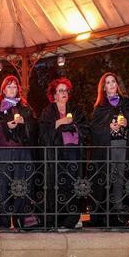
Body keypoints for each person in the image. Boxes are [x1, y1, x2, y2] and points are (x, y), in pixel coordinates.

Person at [87, 73, 129, 228]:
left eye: (113, 82)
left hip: (122, 146)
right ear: (103, 87)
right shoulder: (100, 107)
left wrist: (126, 123)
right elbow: (94, 128)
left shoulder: (126, 103)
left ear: (117, 84)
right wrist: (107, 127)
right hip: (106, 148)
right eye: (108, 83)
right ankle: (102, 215)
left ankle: (119, 213)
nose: (111, 85)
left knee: (120, 178)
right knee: (105, 178)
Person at [0, 75, 37, 229]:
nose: (12, 89)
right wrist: (6, 126)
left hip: (21, 152)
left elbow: (34, 126)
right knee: (2, 185)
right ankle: (3, 222)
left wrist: (24, 123)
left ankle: (21, 220)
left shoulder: (25, 106)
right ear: (3, 89)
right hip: (3, 152)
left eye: (14, 87)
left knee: (21, 185)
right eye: (9, 86)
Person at [39, 77, 88, 229]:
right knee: (58, 185)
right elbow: (43, 133)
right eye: (60, 91)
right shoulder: (48, 112)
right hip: (56, 155)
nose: (64, 93)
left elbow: (86, 129)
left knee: (73, 184)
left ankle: (72, 218)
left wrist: (73, 126)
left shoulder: (76, 110)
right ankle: (57, 219)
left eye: (65, 90)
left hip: (73, 154)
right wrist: (60, 123)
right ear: (54, 95)